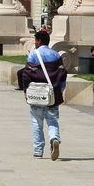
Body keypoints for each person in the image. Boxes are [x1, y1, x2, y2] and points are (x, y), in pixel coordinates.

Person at [18, 30, 67, 160]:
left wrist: (25, 91)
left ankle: (38, 152)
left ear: (39, 41)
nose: (35, 42)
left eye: (35, 40)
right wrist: (60, 90)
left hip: (36, 93)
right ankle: (54, 138)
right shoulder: (56, 55)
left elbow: (26, 74)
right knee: (52, 120)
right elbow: (62, 76)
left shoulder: (34, 55)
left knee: (36, 122)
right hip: (52, 94)